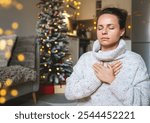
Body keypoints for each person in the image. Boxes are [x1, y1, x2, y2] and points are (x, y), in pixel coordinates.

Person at [65, 7, 150, 106]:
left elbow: (144, 102)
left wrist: (112, 80)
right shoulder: (85, 58)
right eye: (100, 28)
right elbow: (69, 93)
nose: (104, 32)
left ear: (122, 31)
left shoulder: (135, 60)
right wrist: (96, 79)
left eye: (111, 27)